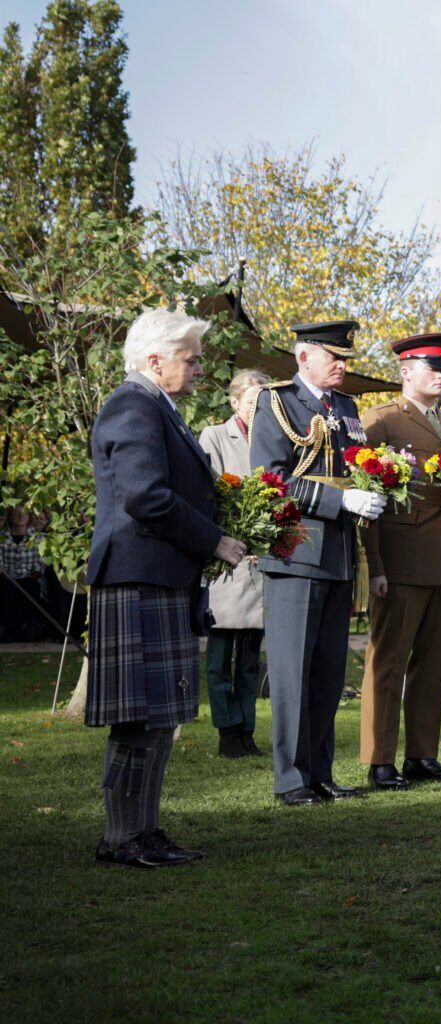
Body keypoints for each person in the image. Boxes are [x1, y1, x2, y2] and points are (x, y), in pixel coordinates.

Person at [85, 309, 247, 866]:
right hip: (138, 578)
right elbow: (145, 497)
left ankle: (143, 831)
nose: (200, 368)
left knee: (158, 716)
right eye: (191, 358)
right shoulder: (133, 404)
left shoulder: (159, 407)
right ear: (154, 361)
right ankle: (122, 837)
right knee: (140, 718)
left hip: (156, 577)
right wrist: (215, 541)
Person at [252, 320, 390, 807]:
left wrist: (376, 490)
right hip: (296, 552)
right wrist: (341, 502)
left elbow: (356, 466)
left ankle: (321, 773)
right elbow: (269, 478)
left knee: (329, 673)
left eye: (346, 358)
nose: (342, 364)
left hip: (338, 556)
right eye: (333, 356)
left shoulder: (346, 407)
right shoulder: (276, 401)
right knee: (292, 673)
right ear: (303, 356)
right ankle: (291, 778)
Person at [358, 333, 441, 790]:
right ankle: (379, 760)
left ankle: (423, 756)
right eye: (432, 368)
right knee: (388, 663)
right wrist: (376, 567)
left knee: (435, 665)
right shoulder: (381, 421)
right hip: (402, 559)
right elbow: (366, 499)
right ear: (406, 372)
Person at [199, 369, 273, 758]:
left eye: (263, 401)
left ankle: (247, 728)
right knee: (219, 655)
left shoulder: (271, 434)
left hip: (263, 559)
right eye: (251, 401)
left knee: (249, 656)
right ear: (234, 401)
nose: (257, 408)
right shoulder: (213, 436)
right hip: (228, 557)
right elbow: (209, 491)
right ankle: (226, 729)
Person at [2, 506, 51, 642]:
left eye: (24, 514)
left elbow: (40, 564)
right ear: (10, 517)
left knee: (29, 590)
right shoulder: (2, 537)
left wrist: (30, 576)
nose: (20, 516)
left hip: (31, 579)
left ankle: (29, 631)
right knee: (9, 591)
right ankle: (10, 631)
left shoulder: (37, 538)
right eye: (17, 514)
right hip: (8, 580)